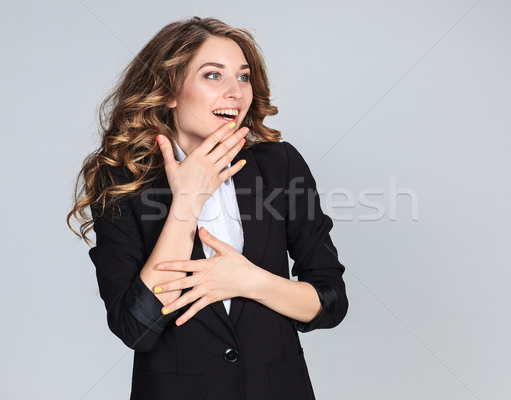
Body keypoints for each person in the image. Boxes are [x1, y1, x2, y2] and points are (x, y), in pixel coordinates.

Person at [67, 16, 348, 400]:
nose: (235, 92)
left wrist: (251, 281)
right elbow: (137, 329)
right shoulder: (122, 179)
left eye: (243, 77)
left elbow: (331, 301)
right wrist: (187, 200)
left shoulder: (280, 165)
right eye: (213, 76)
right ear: (168, 91)